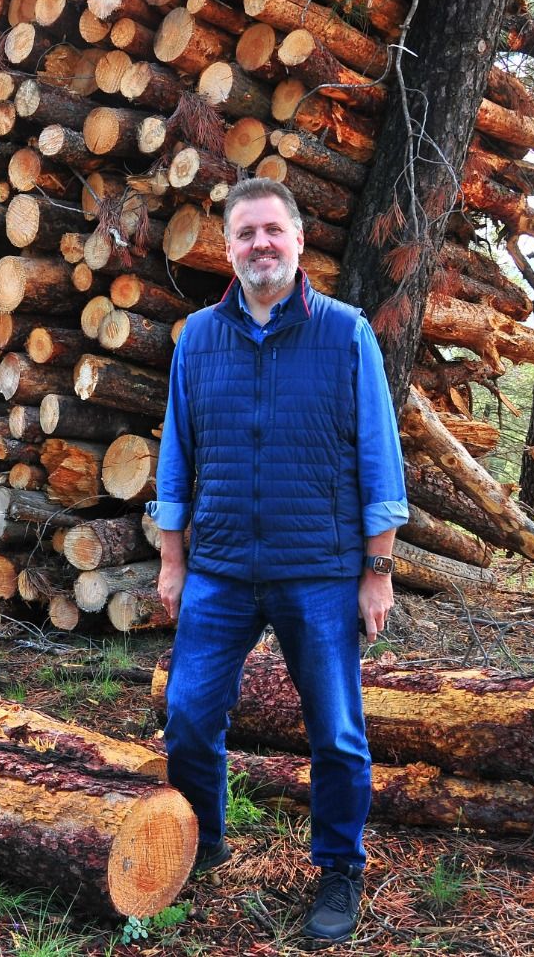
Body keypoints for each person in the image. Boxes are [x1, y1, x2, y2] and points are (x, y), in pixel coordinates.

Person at [148, 177, 408, 942]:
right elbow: (176, 458)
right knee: (188, 716)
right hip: (221, 569)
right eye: (245, 233)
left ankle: (340, 869)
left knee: (336, 732)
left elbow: (380, 460)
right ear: (228, 249)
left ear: (298, 240)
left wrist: (377, 572)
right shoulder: (198, 338)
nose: (260, 244)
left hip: (319, 570)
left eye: (272, 230)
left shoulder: (345, 333)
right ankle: (204, 841)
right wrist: (172, 561)